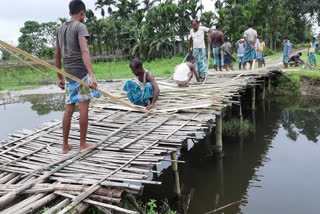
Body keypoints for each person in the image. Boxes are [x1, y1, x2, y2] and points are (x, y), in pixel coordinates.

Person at [55, 0, 101, 154]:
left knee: (69, 109)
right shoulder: (80, 26)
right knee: (83, 108)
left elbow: (57, 54)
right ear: (82, 13)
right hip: (80, 73)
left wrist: (59, 76)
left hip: (68, 74)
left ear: (69, 13)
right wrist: (92, 76)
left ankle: (65, 146)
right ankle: (82, 145)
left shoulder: (60, 29)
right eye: (84, 14)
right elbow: (84, 51)